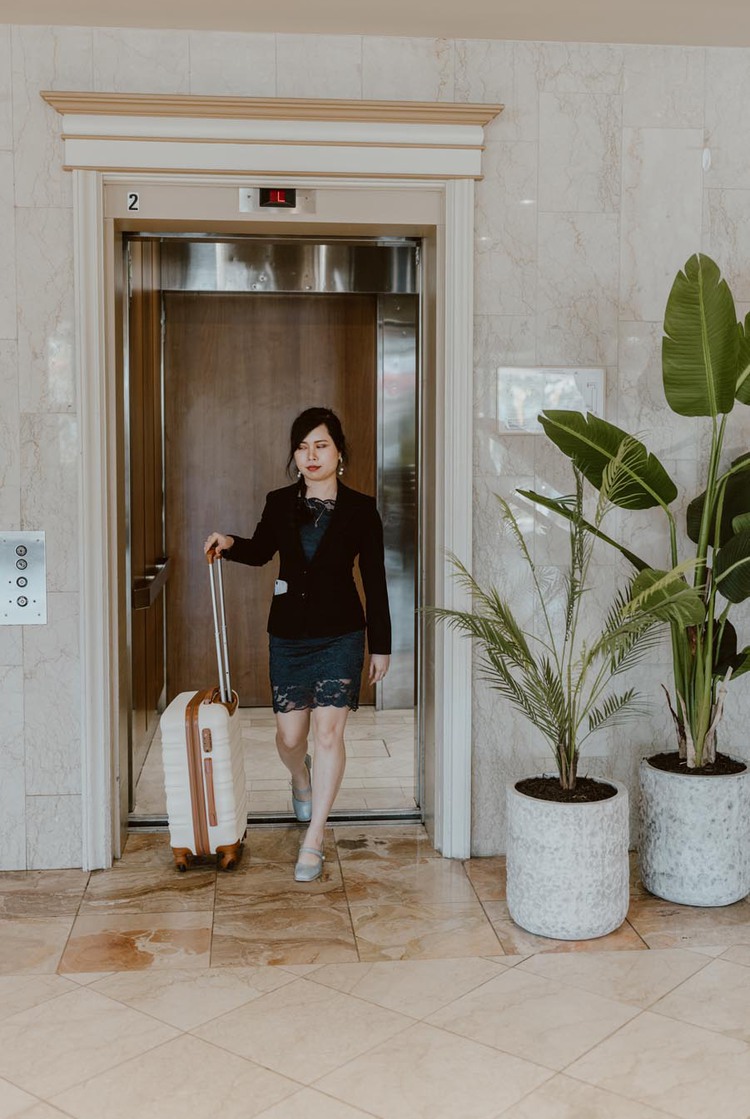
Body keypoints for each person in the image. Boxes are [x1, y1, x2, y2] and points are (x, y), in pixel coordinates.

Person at [204, 407, 391, 882]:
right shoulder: (279, 501)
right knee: (291, 738)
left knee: (329, 734)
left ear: (339, 452)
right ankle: (300, 775)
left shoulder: (361, 509)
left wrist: (381, 645)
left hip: (341, 633)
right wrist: (229, 541)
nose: (311, 455)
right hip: (289, 635)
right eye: (303, 447)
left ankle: (315, 838)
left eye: (321, 445)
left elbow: (375, 580)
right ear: (295, 454)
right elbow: (262, 550)